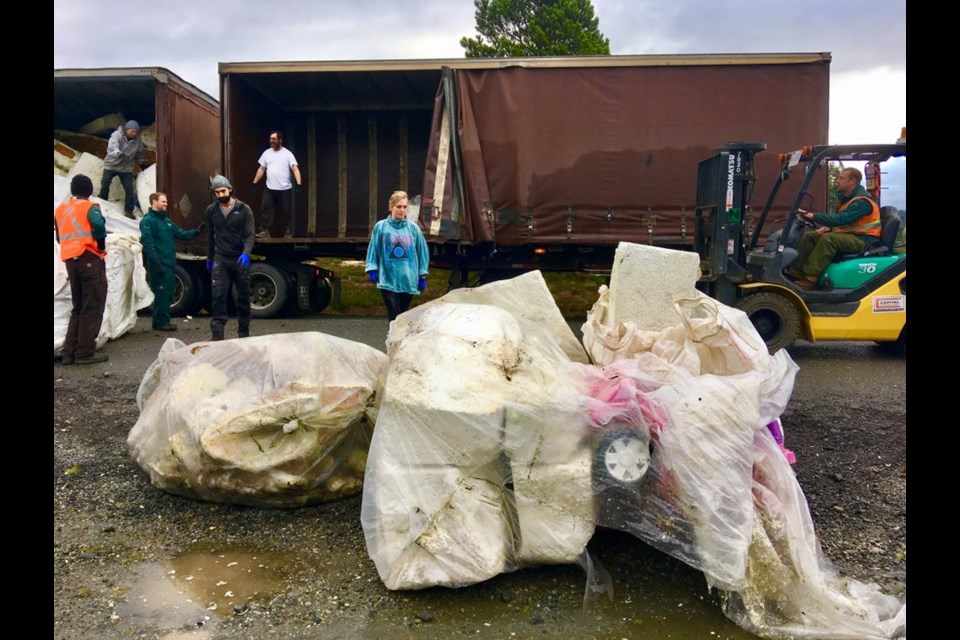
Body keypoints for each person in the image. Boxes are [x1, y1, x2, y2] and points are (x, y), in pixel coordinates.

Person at [784, 167, 881, 290]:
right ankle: (794, 272)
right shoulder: (849, 200)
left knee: (829, 239)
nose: (837, 181)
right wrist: (829, 227)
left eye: (841, 178)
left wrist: (812, 215)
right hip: (853, 235)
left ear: (853, 181)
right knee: (811, 237)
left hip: (864, 240)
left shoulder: (862, 202)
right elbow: (845, 222)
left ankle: (809, 280)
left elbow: (840, 219)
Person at [55, 174, 109, 365]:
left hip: (70, 260)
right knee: (93, 304)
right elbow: (99, 226)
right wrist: (101, 246)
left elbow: (60, 237)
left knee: (77, 307)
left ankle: (69, 351)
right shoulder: (90, 207)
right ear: (89, 190)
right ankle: (85, 352)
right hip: (89, 258)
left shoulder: (60, 209)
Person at [140, 192, 205, 332]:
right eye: (163, 201)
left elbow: (181, 234)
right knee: (162, 294)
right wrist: (156, 263)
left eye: (166, 201)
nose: (166, 204)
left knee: (168, 294)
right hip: (159, 264)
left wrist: (196, 232)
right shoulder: (148, 222)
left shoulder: (166, 221)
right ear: (154, 201)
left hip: (169, 264)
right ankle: (162, 322)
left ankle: (158, 322)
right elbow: (148, 244)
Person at [365, 190, 430, 322]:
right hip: (388, 277)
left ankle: (400, 342)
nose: (402, 210)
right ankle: (392, 341)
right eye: (398, 206)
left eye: (405, 207)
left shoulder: (413, 229)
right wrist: (372, 268)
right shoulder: (381, 227)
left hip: (408, 278)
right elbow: (374, 249)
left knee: (403, 316)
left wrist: (422, 275)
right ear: (391, 207)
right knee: (394, 316)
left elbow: (422, 252)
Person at [205, 175, 255, 341]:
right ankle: (217, 337)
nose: (220, 195)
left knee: (243, 298)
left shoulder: (243, 209)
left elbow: (249, 235)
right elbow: (210, 237)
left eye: (223, 191)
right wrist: (210, 257)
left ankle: (244, 334)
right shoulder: (211, 211)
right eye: (217, 192)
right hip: (221, 259)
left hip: (239, 259)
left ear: (230, 190)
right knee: (218, 296)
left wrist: (246, 253)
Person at [252, 130, 301, 238]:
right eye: (270, 139)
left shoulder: (287, 154)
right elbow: (261, 168)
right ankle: (265, 231)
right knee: (266, 208)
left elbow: (295, 169)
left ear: (280, 140)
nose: (271, 141)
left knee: (286, 210)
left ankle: (288, 231)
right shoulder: (267, 153)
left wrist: (298, 183)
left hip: (285, 188)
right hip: (270, 187)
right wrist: (255, 182)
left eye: (274, 139)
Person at [99, 120, 149, 219]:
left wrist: (142, 163)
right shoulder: (116, 135)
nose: (134, 134)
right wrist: (119, 154)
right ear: (126, 129)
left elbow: (139, 153)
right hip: (111, 165)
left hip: (126, 167)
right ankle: (102, 205)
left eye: (136, 132)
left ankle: (128, 211)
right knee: (105, 184)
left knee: (129, 189)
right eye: (132, 131)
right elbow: (112, 148)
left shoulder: (137, 140)